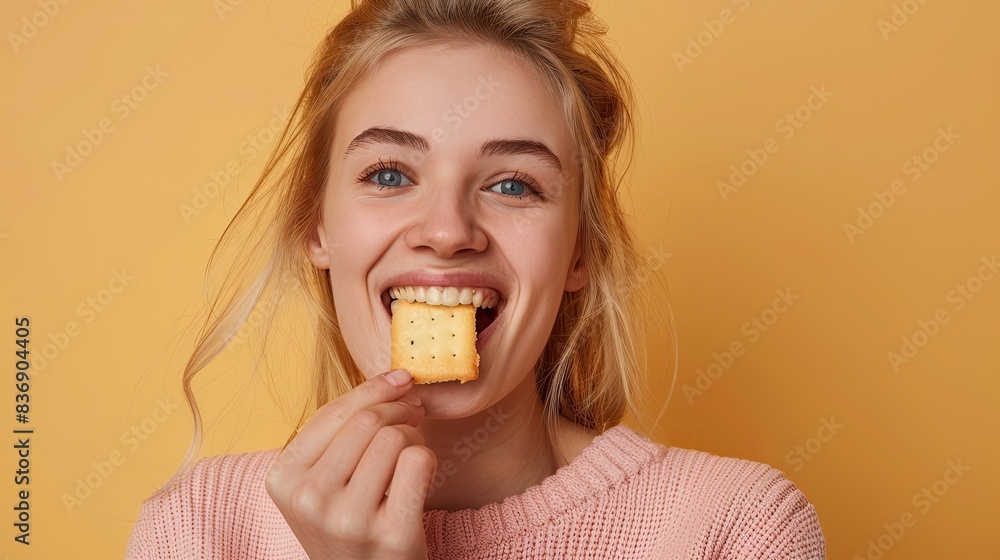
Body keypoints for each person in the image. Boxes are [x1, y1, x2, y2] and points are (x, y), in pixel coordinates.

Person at [125, 0, 826, 558]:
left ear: (580, 248)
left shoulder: (734, 528)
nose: (448, 230)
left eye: (514, 184)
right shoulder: (197, 531)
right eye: (390, 174)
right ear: (317, 226)